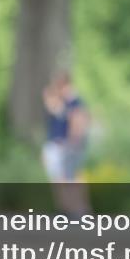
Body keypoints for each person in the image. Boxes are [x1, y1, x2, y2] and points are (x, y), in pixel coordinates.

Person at [42, 72, 91, 215]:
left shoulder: (74, 102)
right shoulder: (62, 102)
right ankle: (67, 209)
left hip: (70, 145)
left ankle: (79, 209)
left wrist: (73, 141)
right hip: (62, 145)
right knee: (63, 178)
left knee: (73, 177)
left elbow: (78, 123)